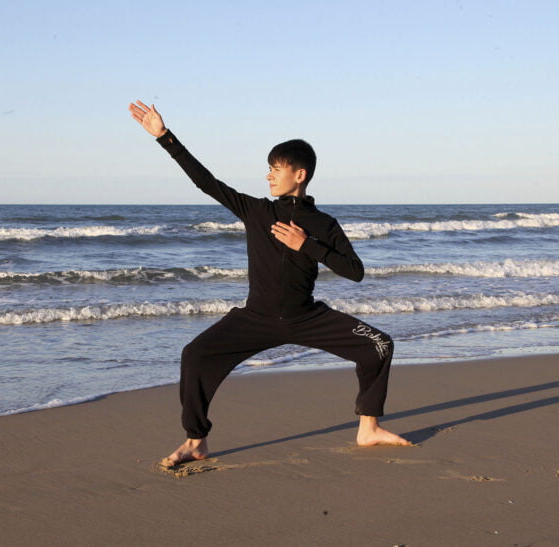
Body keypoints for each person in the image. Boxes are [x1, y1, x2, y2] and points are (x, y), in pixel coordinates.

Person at [128, 100, 410, 466]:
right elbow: (206, 183)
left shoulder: (324, 224)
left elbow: (354, 270)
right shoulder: (257, 211)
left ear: (300, 174)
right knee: (195, 355)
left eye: (276, 169)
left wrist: (306, 245)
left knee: (379, 345)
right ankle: (196, 441)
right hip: (255, 318)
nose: (269, 176)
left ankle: (368, 428)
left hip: (306, 318)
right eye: (269, 169)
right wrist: (165, 137)